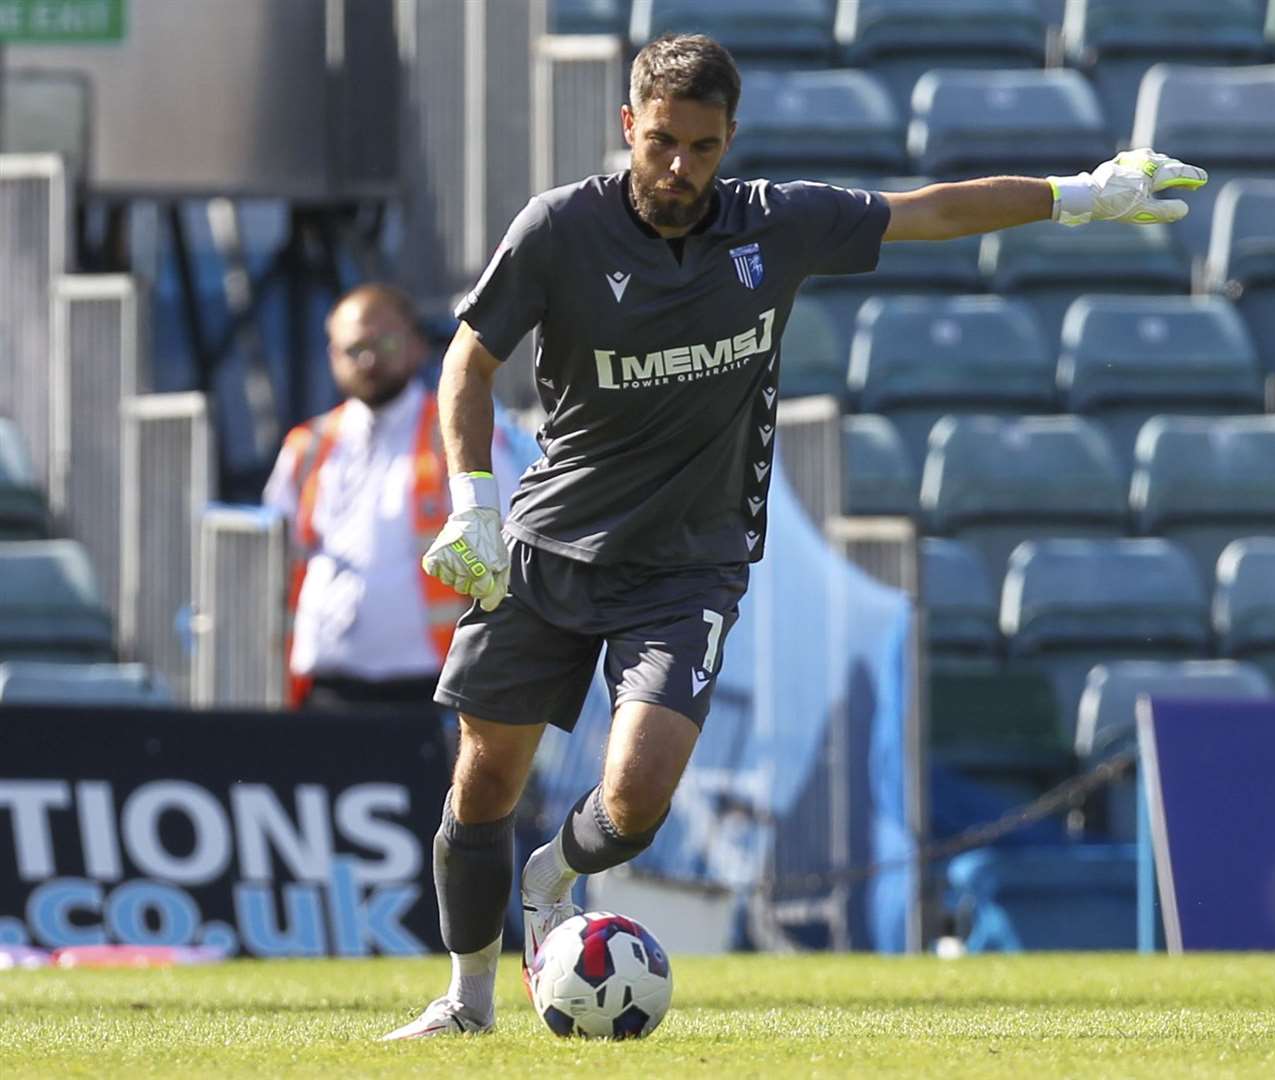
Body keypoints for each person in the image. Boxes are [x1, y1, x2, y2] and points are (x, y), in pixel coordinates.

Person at [383, 33, 1206, 1038]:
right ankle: (467, 1000)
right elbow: (467, 365)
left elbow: (931, 210)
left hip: (685, 568)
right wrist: (472, 502)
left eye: (703, 145)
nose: (680, 166)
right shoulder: (560, 229)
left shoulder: (774, 226)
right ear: (627, 128)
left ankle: (552, 877)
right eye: (662, 143)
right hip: (549, 550)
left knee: (636, 801)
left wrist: (1079, 194)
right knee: (484, 780)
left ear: (731, 140)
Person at [263, 283, 532, 712]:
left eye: (385, 342)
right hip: (323, 688)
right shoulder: (307, 446)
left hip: (429, 689)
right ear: (333, 357)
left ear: (416, 346)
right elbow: (271, 559)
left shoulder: (459, 433)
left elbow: (515, 535)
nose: (369, 359)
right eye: (354, 348)